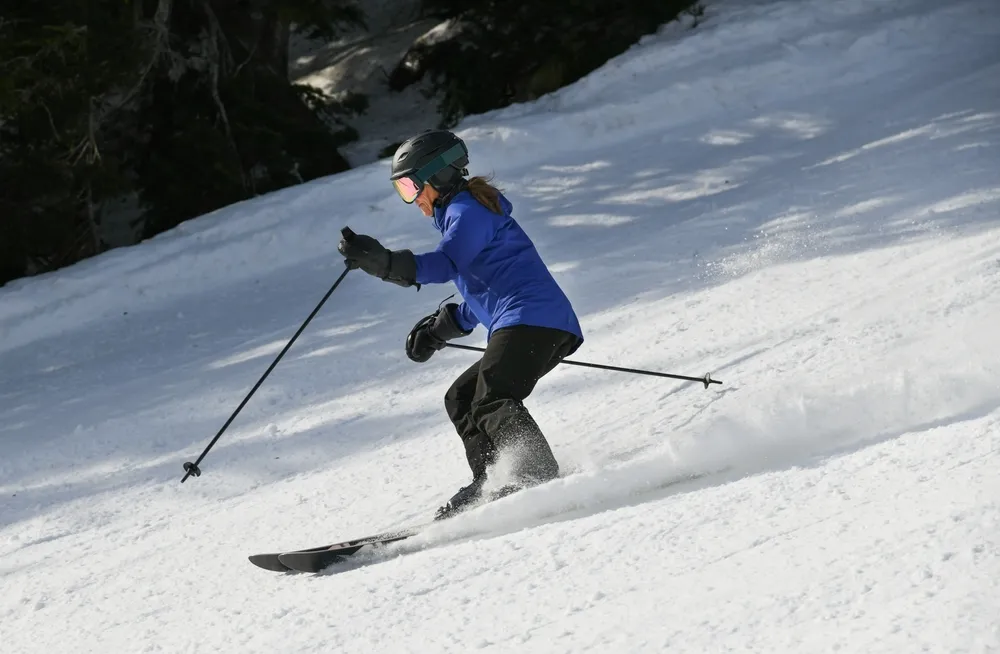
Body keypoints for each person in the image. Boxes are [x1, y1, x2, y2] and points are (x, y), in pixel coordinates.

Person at [337, 129, 583, 519]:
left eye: (410, 186)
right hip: (528, 320)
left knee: (492, 397)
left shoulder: (469, 212)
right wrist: (442, 327)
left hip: (535, 320)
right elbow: (483, 288)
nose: (411, 198)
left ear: (438, 175)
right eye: (403, 189)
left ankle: (535, 473)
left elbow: (446, 263)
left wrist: (385, 263)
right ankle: (490, 479)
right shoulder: (461, 215)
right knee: (462, 398)